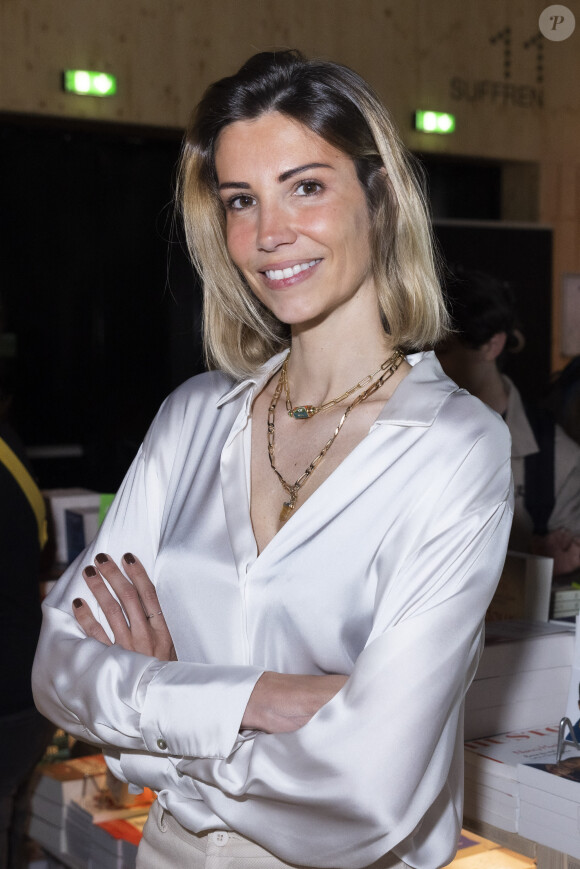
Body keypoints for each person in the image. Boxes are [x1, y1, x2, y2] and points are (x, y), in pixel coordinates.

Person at [32, 51, 513, 869]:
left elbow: (368, 790)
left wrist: (157, 721)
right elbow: (58, 666)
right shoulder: (192, 419)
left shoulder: (455, 449)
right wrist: (260, 698)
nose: (268, 234)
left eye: (307, 186)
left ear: (382, 197)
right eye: (240, 201)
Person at [436, 268, 580, 577]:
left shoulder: (555, 456)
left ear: (493, 345)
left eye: (443, 349)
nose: (427, 362)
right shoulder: (404, 431)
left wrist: (558, 563)